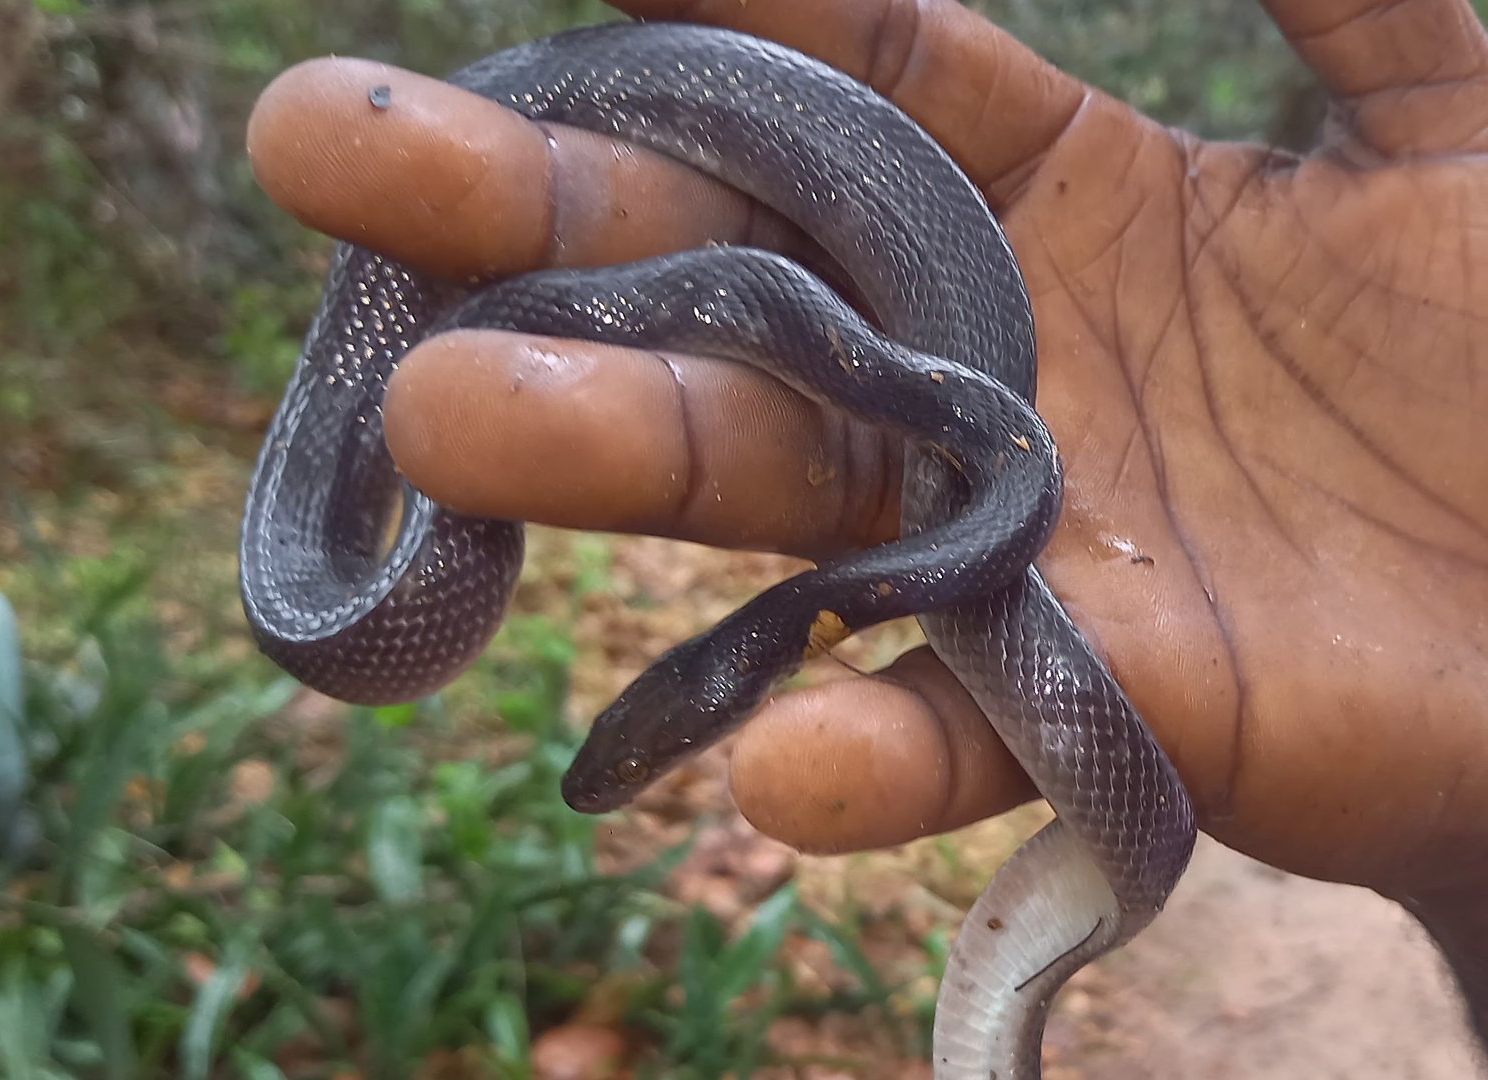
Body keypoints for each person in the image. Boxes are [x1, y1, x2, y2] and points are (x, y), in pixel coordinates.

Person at [246, 0, 1488, 1048]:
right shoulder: (952, 445)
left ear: (738, 688)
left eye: (644, 760)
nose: (634, 777)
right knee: (463, 381)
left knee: (481, 378)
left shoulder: (964, 448)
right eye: (637, 763)